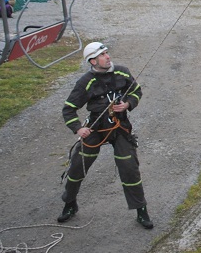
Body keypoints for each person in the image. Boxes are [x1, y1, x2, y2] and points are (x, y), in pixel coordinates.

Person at [57, 41, 153, 229]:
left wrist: (127, 104)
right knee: (77, 166)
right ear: (93, 61)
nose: (108, 57)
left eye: (107, 53)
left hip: (120, 128)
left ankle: (141, 210)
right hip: (96, 129)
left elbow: (136, 91)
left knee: (129, 168)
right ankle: (70, 204)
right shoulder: (86, 82)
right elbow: (68, 109)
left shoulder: (122, 72)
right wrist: (78, 129)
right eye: (102, 55)